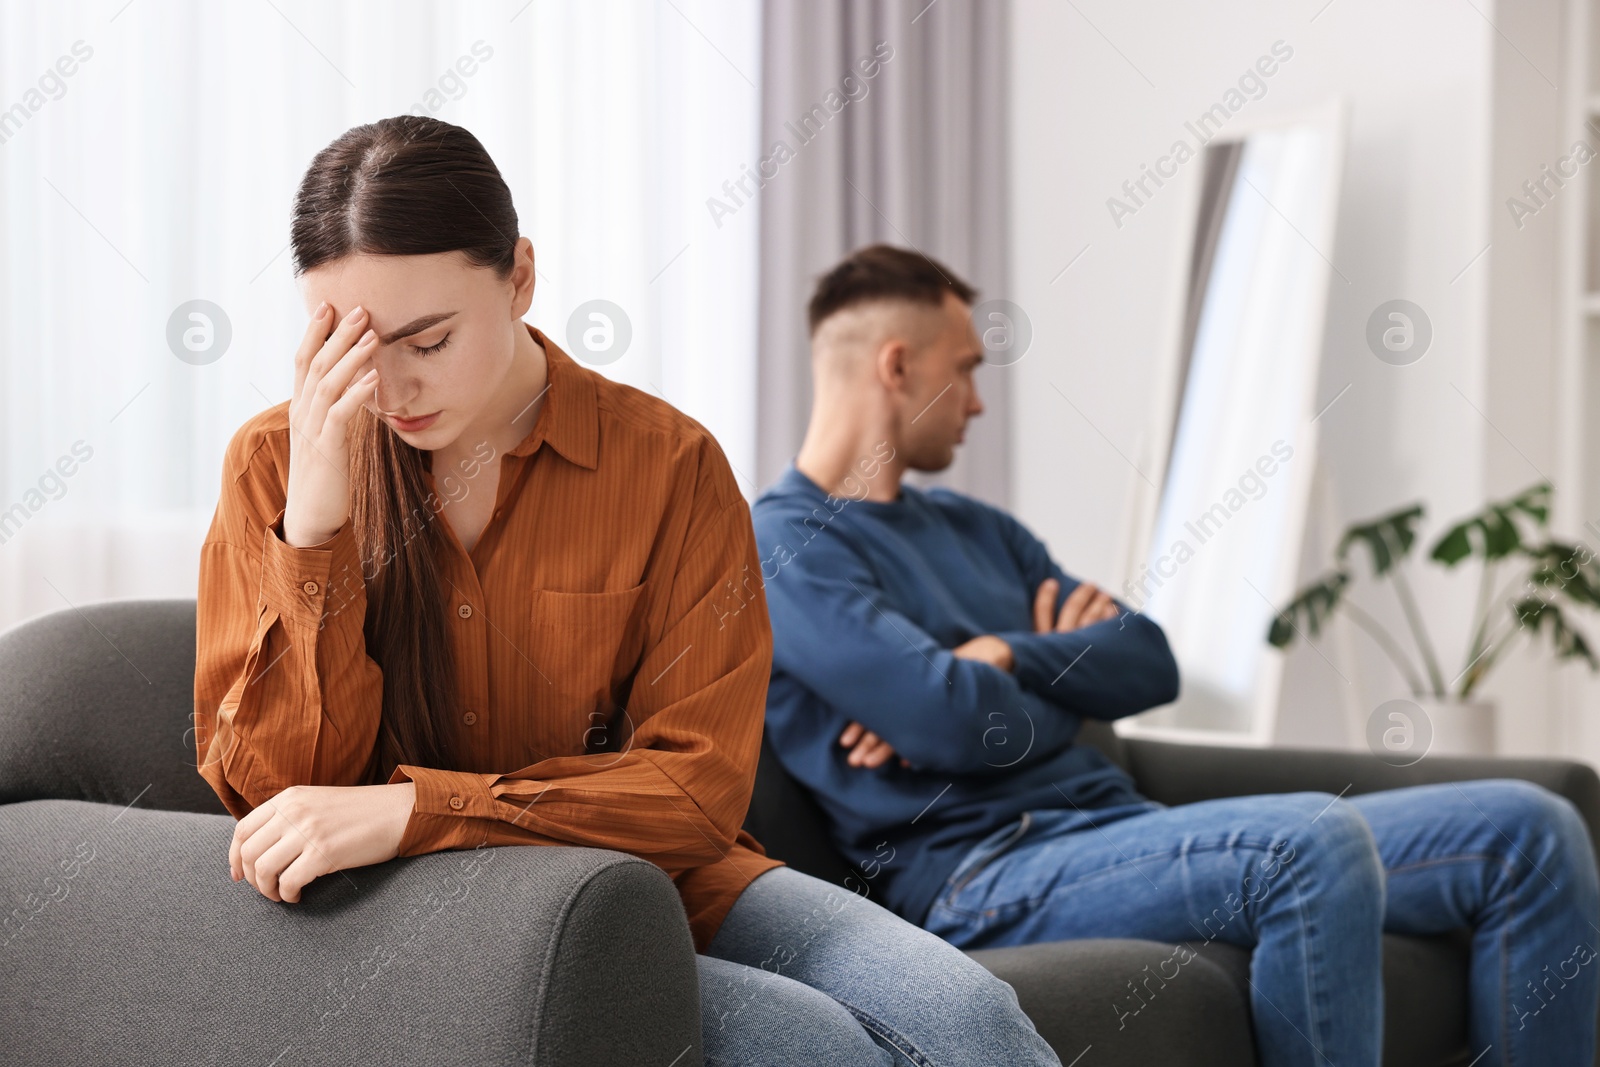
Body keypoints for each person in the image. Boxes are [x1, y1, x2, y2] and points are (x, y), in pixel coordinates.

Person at [191, 117, 1061, 1067]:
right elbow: (275, 799)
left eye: (428, 341)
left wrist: (417, 807)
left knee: (970, 1015)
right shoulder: (276, 466)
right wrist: (314, 530)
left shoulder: (668, 465)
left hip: (664, 879)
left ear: (520, 277)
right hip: (411, 902)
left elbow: (696, 790)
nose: (391, 387)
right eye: (350, 350)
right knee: (815, 1047)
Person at [751, 242, 1600, 1067]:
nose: (977, 401)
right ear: (897, 366)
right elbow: (950, 721)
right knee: (1312, 842)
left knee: (1533, 829)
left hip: (1123, 834)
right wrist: (1043, 677)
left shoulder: (982, 530)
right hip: (983, 870)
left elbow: (1149, 660)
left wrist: (1005, 655)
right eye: (967, 367)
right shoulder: (789, 541)